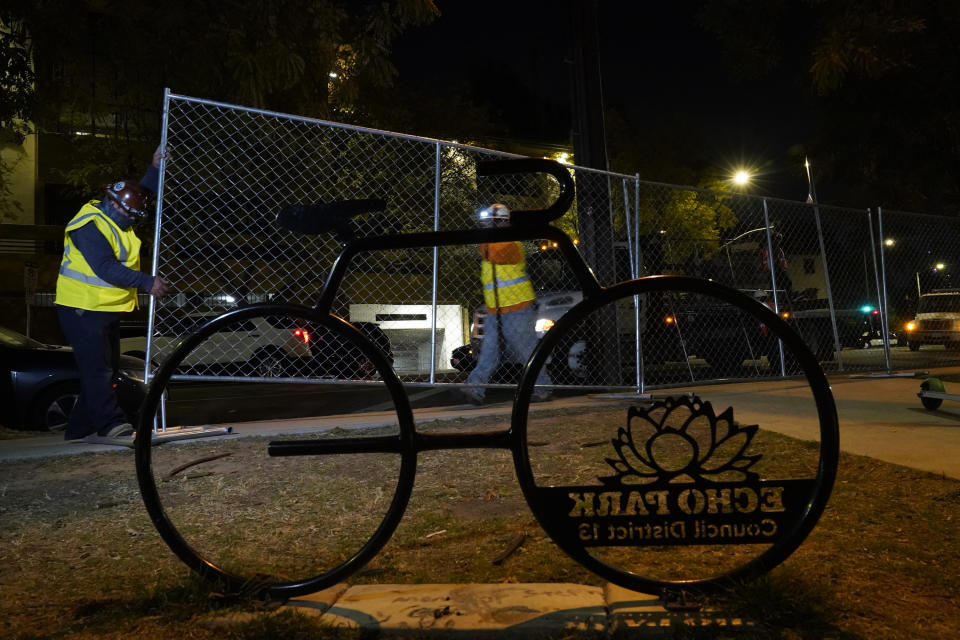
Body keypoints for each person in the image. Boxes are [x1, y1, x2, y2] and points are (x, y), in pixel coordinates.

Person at [55, 146, 171, 443]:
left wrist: (156, 166)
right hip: (81, 308)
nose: (132, 220)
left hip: (102, 308)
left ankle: (80, 429)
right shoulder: (90, 226)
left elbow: (141, 192)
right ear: (115, 204)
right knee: (99, 371)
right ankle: (110, 424)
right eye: (129, 214)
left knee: (104, 371)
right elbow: (105, 267)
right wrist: (147, 282)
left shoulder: (118, 211)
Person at [460, 203, 551, 405]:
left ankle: (543, 387)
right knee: (489, 352)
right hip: (496, 311)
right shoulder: (492, 243)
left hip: (518, 308)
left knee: (526, 351)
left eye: (488, 223)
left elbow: (494, 254)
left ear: (499, 222)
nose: (484, 227)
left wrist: (483, 236)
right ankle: (474, 389)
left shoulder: (510, 244)